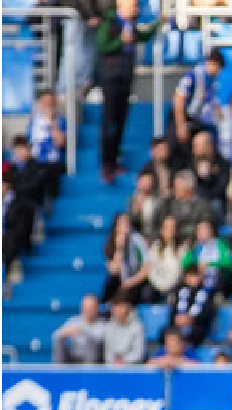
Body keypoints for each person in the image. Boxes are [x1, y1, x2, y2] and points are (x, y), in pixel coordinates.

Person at [95, 0, 161, 182]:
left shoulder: (130, 26)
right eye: (132, 4)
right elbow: (102, 46)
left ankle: (115, 160)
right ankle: (106, 163)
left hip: (126, 79)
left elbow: (144, 36)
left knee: (121, 121)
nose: (136, 8)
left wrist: (159, 23)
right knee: (109, 122)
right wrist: (119, 41)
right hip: (111, 80)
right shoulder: (109, 24)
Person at [171, 49, 225, 151]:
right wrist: (181, 125)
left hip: (197, 122)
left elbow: (211, 101)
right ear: (212, 63)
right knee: (177, 152)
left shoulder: (212, 81)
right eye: (218, 68)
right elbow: (178, 99)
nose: (219, 72)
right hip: (185, 119)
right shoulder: (194, 75)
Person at [26, 90, 67, 206]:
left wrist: (51, 121)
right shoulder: (33, 121)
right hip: (35, 162)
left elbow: (60, 143)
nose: (48, 105)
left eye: (50, 102)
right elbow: (28, 143)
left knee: (47, 175)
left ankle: (47, 202)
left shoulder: (61, 121)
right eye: (45, 102)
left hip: (53, 163)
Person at [102, 212, 149, 304]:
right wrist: (120, 249)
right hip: (120, 280)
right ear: (116, 227)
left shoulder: (138, 241)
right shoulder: (110, 244)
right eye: (121, 224)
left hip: (135, 280)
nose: (125, 227)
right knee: (110, 285)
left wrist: (129, 282)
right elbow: (114, 271)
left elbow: (146, 270)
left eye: (126, 223)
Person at [182, 218, 232, 298]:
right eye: (200, 229)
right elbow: (185, 263)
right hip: (199, 280)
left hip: (217, 277)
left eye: (206, 229)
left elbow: (228, 262)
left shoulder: (220, 244)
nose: (203, 232)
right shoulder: (195, 246)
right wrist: (190, 251)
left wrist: (209, 264)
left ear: (211, 231)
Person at [167, 265, 216, 346]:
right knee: (167, 331)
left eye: (195, 276)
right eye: (190, 276)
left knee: (194, 333)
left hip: (196, 327)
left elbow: (208, 314)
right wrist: (176, 318)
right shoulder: (179, 292)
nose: (193, 279)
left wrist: (191, 319)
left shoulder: (207, 294)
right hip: (178, 325)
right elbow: (173, 312)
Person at [158, 170, 211, 243]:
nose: (174, 190)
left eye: (177, 187)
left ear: (188, 188)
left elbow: (204, 223)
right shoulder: (170, 204)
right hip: (175, 242)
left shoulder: (202, 204)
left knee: (204, 228)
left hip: (195, 241)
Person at [52, 294, 105, 364]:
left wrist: (81, 331)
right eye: (85, 307)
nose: (87, 310)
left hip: (92, 359)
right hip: (74, 357)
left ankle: (88, 373)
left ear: (97, 308)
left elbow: (96, 342)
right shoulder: (73, 320)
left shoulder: (102, 324)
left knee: (90, 344)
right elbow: (56, 334)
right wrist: (63, 334)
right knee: (58, 338)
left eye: (91, 307)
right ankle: (58, 370)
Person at [103, 291, 145, 365]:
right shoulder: (108, 327)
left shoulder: (137, 327)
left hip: (132, 369)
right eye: (115, 306)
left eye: (120, 306)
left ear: (128, 308)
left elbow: (138, 354)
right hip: (112, 367)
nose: (117, 310)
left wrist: (123, 361)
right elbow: (107, 354)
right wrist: (114, 362)